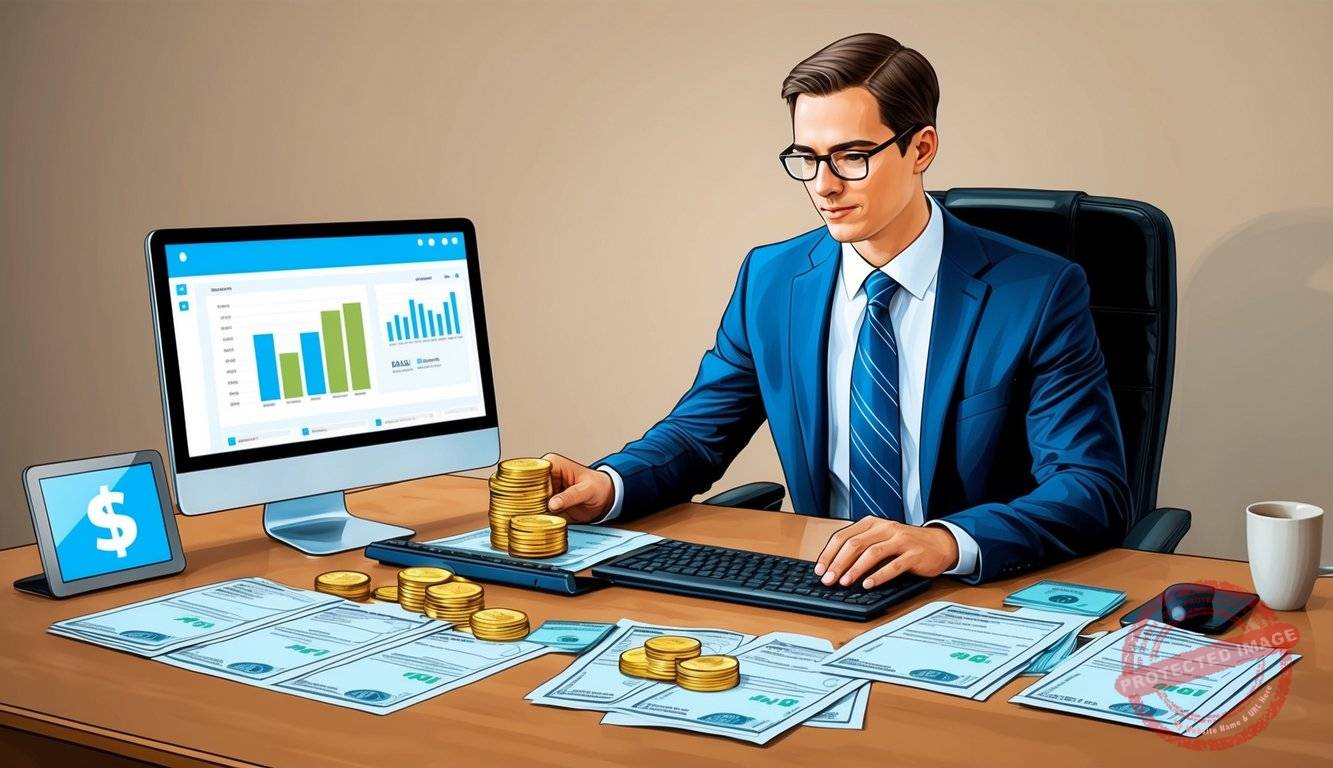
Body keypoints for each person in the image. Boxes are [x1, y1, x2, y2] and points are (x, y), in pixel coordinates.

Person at [540, 32, 1129, 587]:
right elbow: (699, 436)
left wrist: (948, 542)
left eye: (851, 156)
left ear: (921, 148)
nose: (823, 185)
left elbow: (1089, 485)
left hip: (967, 591)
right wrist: (610, 483)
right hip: (827, 583)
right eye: (807, 158)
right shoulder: (771, 280)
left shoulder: (1037, 291)